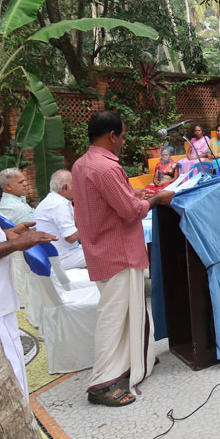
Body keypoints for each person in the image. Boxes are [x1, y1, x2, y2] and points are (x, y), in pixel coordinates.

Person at [72, 110, 175, 406]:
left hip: (100, 247)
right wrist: (155, 199)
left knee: (130, 311)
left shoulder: (82, 164)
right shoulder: (106, 167)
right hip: (117, 251)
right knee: (114, 317)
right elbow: (130, 212)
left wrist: (134, 194)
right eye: (123, 136)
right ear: (112, 135)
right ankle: (101, 383)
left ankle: (136, 359)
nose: (122, 142)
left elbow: (108, 203)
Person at [0, 124, 58, 401]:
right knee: (6, 385)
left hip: (0, 301)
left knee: (15, 375)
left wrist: (12, 233)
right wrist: (14, 244)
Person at [33, 169, 87, 270]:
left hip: (61, 253)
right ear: (65, 187)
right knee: (108, 250)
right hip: (63, 257)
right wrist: (90, 224)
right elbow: (70, 237)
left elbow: (72, 226)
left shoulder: (54, 200)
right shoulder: (58, 204)